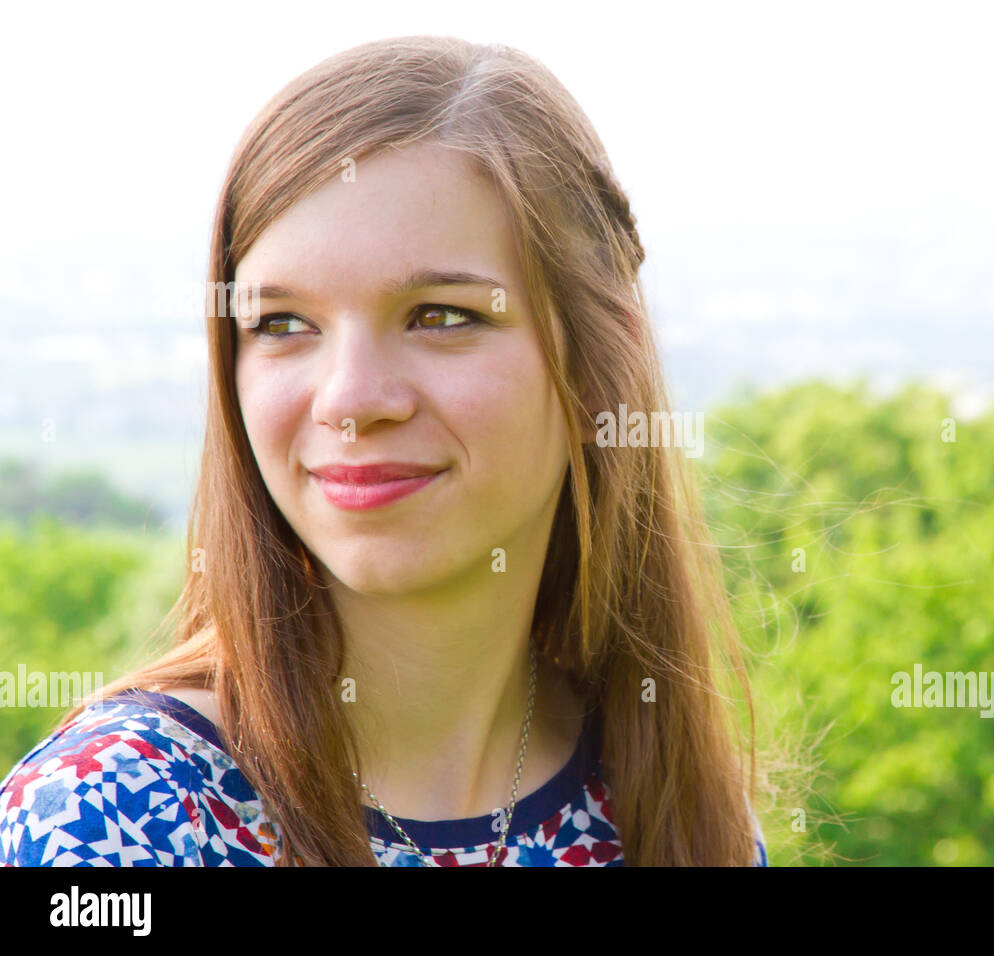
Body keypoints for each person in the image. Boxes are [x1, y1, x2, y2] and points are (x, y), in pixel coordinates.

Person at [0, 35, 769, 866]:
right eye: (283, 325)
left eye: (440, 316)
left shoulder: (669, 811)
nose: (352, 400)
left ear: (596, 372)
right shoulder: (112, 821)